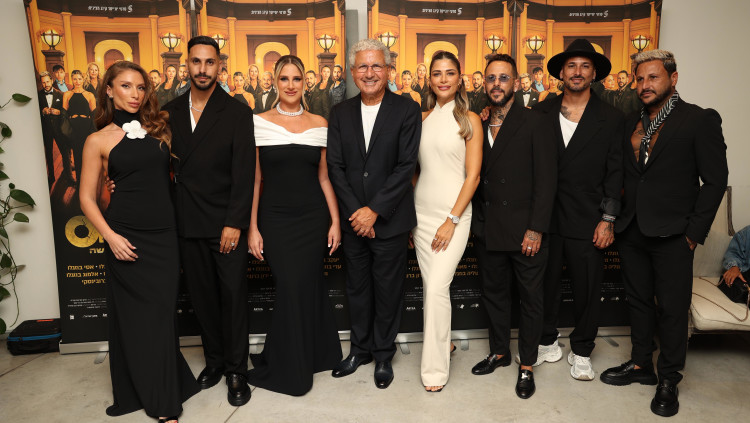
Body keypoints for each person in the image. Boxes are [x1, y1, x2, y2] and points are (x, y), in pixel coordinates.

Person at [601, 49, 728, 417]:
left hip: (675, 233)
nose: (645, 85)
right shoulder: (630, 122)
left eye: (653, 77)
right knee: (638, 302)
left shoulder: (699, 119)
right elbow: (624, 174)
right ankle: (641, 363)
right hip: (632, 229)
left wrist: (693, 233)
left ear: (673, 78)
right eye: (640, 78)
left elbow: (715, 180)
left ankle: (669, 377)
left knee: (672, 309)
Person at [79, 60, 199, 422]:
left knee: (161, 317)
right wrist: (111, 237)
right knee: (134, 320)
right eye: (126, 86)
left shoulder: (160, 128)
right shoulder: (97, 140)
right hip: (124, 235)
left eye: (141, 87)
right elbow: (87, 199)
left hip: (164, 236)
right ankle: (164, 404)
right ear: (109, 90)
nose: (135, 94)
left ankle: (165, 385)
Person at [162, 36, 255, 407]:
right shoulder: (168, 111)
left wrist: (234, 222)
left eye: (209, 62)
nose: (202, 69)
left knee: (232, 297)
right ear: (187, 64)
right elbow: (158, 164)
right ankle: (215, 361)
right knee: (201, 298)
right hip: (186, 219)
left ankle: (237, 370)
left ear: (220, 66)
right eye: (196, 61)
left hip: (224, 222)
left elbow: (244, 172)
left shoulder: (236, 112)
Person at [246, 54, 343, 396]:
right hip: (274, 220)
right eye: (284, 78)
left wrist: (335, 221)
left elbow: (325, 178)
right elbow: (255, 180)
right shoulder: (258, 123)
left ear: (305, 83)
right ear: (275, 82)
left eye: (297, 79)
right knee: (290, 286)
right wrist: (252, 227)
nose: (290, 85)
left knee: (306, 286)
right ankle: (291, 367)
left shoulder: (320, 123)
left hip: (313, 219)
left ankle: (308, 356)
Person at [327, 38, 421, 389]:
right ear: (353, 72)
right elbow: (335, 167)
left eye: (376, 66)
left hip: (390, 221)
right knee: (357, 289)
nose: (369, 73)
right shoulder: (340, 113)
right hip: (354, 223)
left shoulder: (407, 109)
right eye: (363, 66)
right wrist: (358, 213)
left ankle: (383, 354)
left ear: (388, 70)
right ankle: (359, 350)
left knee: (388, 290)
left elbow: (406, 166)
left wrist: (375, 211)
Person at [533, 38, 624, 381]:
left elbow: (616, 173)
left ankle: (582, 350)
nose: (577, 71)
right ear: (561, 72)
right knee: (544, 285)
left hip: (589, 218)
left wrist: (608, 219)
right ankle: (546, 342)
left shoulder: (611, 118)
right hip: (546, 217)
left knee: (587, 289)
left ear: (594, 74)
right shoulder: (540, 112)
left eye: (585, 66)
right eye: (571, 65)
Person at [469, 54, 556, 400]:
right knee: (494, 294)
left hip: (525, 232)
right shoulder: (477, 123)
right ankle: (499, 351)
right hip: (488, 228)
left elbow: (547, 181)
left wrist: (536, 228)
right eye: (491, 78)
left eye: (503, 78)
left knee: (530, 299)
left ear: (516, 83)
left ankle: (527, 364)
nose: (496, 84)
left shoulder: (535, 122)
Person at [414, 51, 482, 392]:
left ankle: (434, 371)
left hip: (452, 216)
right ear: (429, 80)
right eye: (437, 73)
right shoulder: (420, 119)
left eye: (450, 73)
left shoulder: (470, 120)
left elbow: (473, 176)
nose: (443, 79)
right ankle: (445, 344)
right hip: (421, 216)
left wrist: (452, 219)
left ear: (460, 79)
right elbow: (413, 171)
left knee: (437, 287)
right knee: (431, 288)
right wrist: (411, 213)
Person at [62, 69, 97, 184]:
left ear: (83, 80)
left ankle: (89, 182)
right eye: (75, 79)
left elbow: (94, 115)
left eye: (79, 79)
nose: (77, 81)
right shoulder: (67, 94)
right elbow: (64, 114)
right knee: (77, 155)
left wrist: (93, 131)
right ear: (71, 80)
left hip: (86, 126)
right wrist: (66, 130)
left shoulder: (89, 95)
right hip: (73, 127)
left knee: (87, 155)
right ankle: (79, 182)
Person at [38, 71, 65, 185]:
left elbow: (65, 112)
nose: (46, 84)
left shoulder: (60, 94)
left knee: (64, 152)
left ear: (52, 81)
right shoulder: (38, 95)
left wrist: (59, 112)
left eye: (48, 81)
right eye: (43, 82)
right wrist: (42, 111)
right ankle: (51, 176)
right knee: (48, 154)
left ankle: (67, 174)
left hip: (59, 129)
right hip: (46, 129)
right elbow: (34, 113)